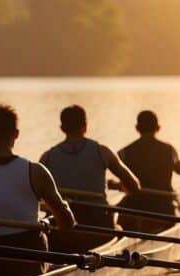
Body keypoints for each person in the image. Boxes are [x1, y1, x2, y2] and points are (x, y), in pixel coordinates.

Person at [0, 105, 75, 276]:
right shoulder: (36, 172)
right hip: (25, 261)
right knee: (44, 238)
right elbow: (67, 223)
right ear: (16, 134)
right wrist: (51, 219)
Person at [40, 105, 140, 252]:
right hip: (97, 225)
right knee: (120, 226)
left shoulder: (47, 158)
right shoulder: (102, 152)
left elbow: (36, 196)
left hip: (62, 229)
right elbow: (134, 186)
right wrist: (118, 187)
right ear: (85, 126)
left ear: (62, 128)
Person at [115, 110, 180, 232]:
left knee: (116, 212)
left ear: (137, 128)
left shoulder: (123, 153)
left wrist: (115, 185)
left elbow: (121, 179)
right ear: (157, 128)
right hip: (162, 204)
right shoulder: (169, 150)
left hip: (135, 204)